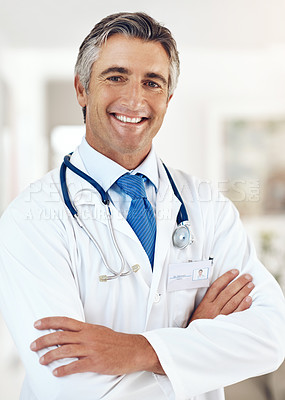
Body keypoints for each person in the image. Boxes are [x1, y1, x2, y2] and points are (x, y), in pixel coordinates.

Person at [0, 11, 284, 400]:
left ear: (167, 99)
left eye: (152, 82)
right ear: (82, 89)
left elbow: (271, 336)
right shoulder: (31, 219)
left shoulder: (207, 206)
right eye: (116, 76)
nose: (135, 99)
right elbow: (68, 386)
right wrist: (192, 344)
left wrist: (139, 351)